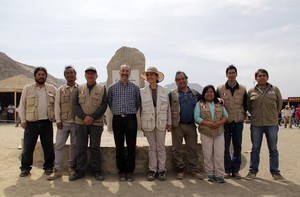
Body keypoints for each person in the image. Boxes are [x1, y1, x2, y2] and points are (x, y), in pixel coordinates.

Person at [245, 68, 285, 181]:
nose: (261, 77)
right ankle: (252, 171)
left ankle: (275, 172)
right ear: (256, 78)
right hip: (256, 124)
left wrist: (272, 115)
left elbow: (279, 104)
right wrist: (256, 115)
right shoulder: (251, 91)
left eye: (263, 75)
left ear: (267, 77)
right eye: (259, 76)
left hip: (271, 123)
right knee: (255, 149)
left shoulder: (275, 90)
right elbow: (249, 106)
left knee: (273, 149)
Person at [69, 66, 107, 181]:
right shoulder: (79, 88)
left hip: (96, 124)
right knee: (81, 147)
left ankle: (96, 170)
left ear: (96, 76)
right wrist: (84, 117)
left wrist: (92, 118)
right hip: (81, 123)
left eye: (92, 74)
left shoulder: (102, 88)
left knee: (95, 147)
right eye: (88, 74)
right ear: (85, 76)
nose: (90, 75)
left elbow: (104, 105)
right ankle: (80, 171)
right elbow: (75, 104)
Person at [18, 67, 56, 177]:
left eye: (43, 74)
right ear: (35, 76)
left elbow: (57, 106)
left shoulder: (52, 89)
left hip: (46, 123)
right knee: (28, 147)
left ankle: (48, 167)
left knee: (48, 147)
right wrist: (23, 120)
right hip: (31, 123)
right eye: (39, 74)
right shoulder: (27, 88)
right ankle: (25, 168)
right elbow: (22, 105)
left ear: (46, 76)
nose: (41, 76)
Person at [108, 64, 141, 182]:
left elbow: (138, 103)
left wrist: (130, 113)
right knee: (119, 146)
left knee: (131, 146)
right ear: (119, 72)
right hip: (117, 119)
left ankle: (130, 171)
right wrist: (118, 112)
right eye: (123, 71)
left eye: (127, 71)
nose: (125, 73)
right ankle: (121, 171)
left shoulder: (135, 88)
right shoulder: (112, 88)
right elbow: (110, 103)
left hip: (131, 118)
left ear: (130, 73)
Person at [169, 71, 203, 180]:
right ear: (176, 82)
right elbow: (167, 109)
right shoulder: (172, 94)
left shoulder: (195, 93)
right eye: (178, 79)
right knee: (176, 149)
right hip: (177, 125)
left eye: (182, 78)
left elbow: (205, 103)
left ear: (186, 79)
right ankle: (180, 169)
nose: (181, 81)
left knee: (193, 149)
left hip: (191, 126)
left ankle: (194, 169)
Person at [140, 67, 172, 181]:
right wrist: (141, 124)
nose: (150, 77)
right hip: (148, 122)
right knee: (152, 147)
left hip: (161, 122)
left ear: (157, 76)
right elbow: (140, 109)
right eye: (148, 75)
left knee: (161, 147)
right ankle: (152, 170)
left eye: (152, 75)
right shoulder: (142, 92)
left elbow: (168, 108)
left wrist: (169, 122)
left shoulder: (165, 90)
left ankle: (162, 170)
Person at [48, 66, 78, 180]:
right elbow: (56, 106)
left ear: (75, 74)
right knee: (59, 145)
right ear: (65, 76)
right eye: (67, 73)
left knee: (74, 146)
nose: (69, 75)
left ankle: (71, 167)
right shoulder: (60, 89)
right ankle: (58, 170)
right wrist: (58, 121)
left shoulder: (80, 88)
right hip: (63, 123)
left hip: (76, 123)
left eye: (71, 73)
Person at [217, 65, 247, 179]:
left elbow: (246, 105)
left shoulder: (243, 89)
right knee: (224, 146)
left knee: (237, 146)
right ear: (226, 74)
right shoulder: (220, 89)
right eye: (229, 73)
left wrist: (243, 115)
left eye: (233, 73)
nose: (231, 75)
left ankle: (236, 170)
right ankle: (227, 169)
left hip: (238, 121)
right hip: (225, 122)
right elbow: (216, 104)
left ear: (236, 74)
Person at [194, 85, 228, 183]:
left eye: (211, 92)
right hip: (206, 133)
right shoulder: (199, 104)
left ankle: (220, 174)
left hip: (219, 133)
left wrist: (219, 123)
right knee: (208, 154)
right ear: (204, 93)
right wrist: (208, 124)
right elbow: (196, 117)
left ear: (215, 93)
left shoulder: (219, 103)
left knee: (219, 154)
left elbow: (226, 116)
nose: (209, 94)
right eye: (207, 92)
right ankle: (210, 174)